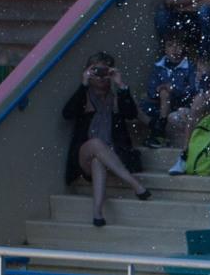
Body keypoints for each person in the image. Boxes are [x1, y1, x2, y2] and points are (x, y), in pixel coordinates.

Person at [62, 54, 151, 226]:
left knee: (98, 161)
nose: (101, 76)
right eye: (97, 70)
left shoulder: (116, 96)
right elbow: (67, 113)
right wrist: (84, 82)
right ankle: (135, 184)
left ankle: (97, 212)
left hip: (113, 154)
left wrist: (121, 85)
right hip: (84, 154)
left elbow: (131, 113)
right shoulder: (84, 96)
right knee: (95, 144)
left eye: (105, 71)